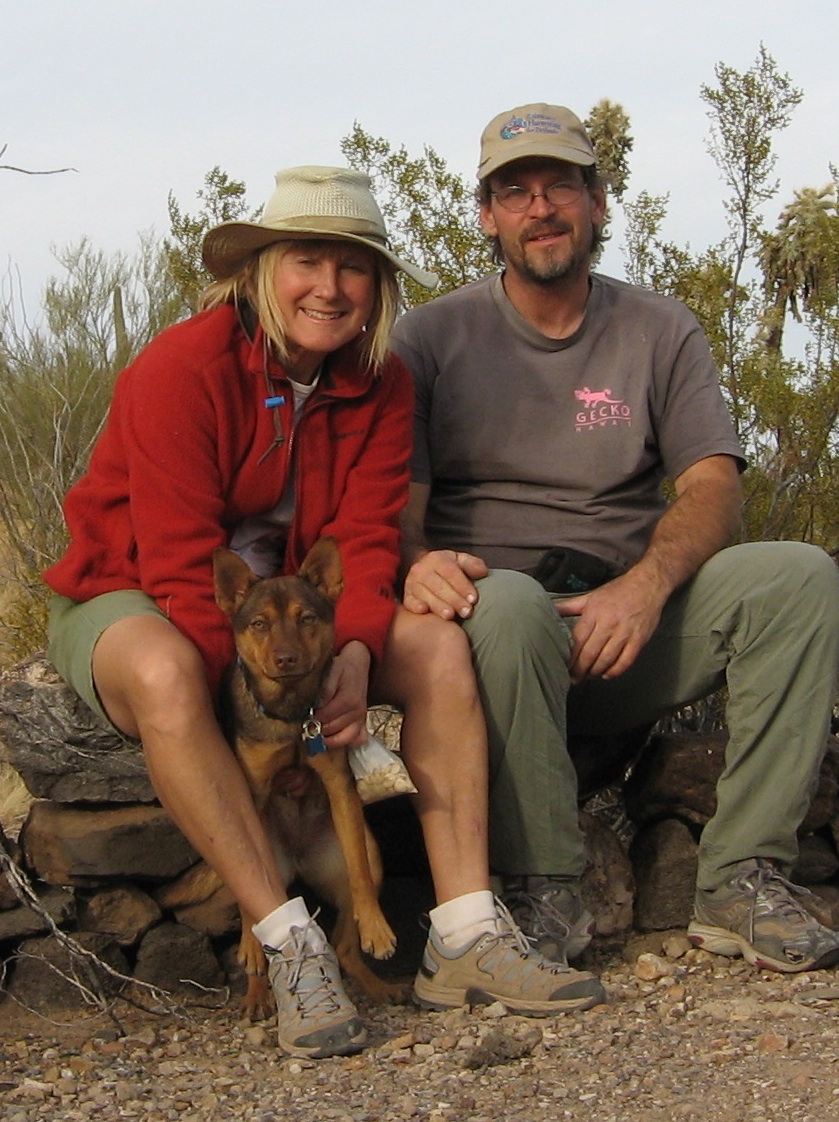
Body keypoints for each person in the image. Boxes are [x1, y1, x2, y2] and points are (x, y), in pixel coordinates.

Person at [43, 165, 604, 1060]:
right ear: (264, 269)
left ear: (376, 287)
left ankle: (464, 933)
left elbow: (366, 539)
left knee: (440, 653)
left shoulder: (379, 384)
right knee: (165, 671)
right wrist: (280, 710)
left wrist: (352, 648)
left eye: (354, 268)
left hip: (298, 620)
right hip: (139, 589)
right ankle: (291, 946)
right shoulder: (179, 369)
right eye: (309, 261)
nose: (331, 289)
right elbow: (185, 567)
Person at [387, 105, 839, 974]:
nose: (541, 208)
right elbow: (400, 518)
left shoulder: (660, 329)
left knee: (797, 578)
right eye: (514, 192)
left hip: (625, 627)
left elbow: (714, 486)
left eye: (562, 184)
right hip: (495, 632)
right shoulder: (430, 339)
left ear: (599, 202)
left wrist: (645, 587)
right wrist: (421, 566)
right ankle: (543, 890)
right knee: (514, 603)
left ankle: (741, 881)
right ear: (487, 215)